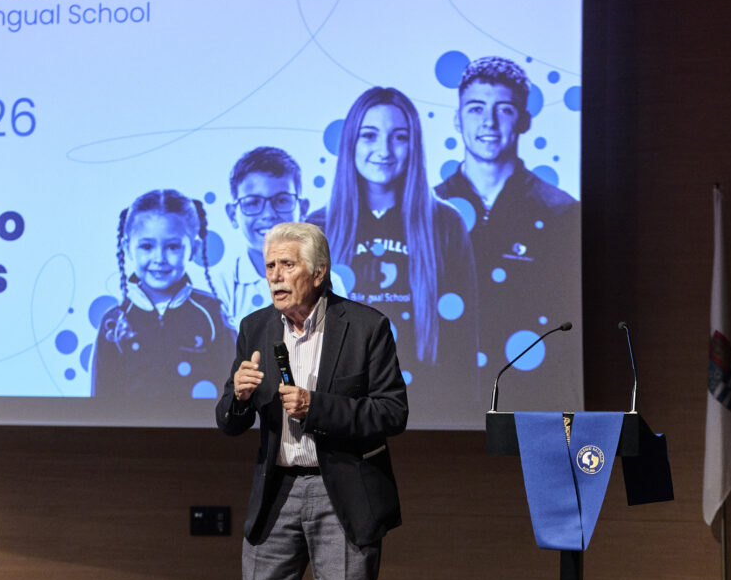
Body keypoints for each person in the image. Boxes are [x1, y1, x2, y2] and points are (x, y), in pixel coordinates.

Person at [215, 221, 408, 580]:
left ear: (319, 273)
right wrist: (235, 396)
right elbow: (230, 421)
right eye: (269, 265)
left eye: (287, 265)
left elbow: (393, 412)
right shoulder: (256, 328)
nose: (274, 276)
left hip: (338, 492)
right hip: (276, 494)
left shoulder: (365, 326)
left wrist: (317, 407)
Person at [314, 86, 478, 418]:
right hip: (338, 411)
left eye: (399, 137)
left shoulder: (446, 223)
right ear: (351, 143)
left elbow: (463, 339)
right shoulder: (317, 227)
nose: (384, 150)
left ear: (414, 146)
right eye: (369, 135)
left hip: (428, 410)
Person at [434, 56, 579, 408]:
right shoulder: (428, 209)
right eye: (475, 108)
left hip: (532, 402)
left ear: (524, 120)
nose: (489, 122)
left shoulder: (561, 212)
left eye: (504, 110)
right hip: (441, 398)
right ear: (457, 119)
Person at [91, 189, 234, 404]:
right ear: (127, 248)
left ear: (193, 249)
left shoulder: (213, 313)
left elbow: (236, 389)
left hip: (201, 436)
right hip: (131, 436)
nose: (159, 258)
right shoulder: (114, 323)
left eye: (173, 246)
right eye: (147, 246)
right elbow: (100, 400)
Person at [211, 147, 311, 330]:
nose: (268, 214)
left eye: (281, 200)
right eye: (252, 202)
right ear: (233, 215)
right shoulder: (219, 287)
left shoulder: (326, 282)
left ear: (302, 209)